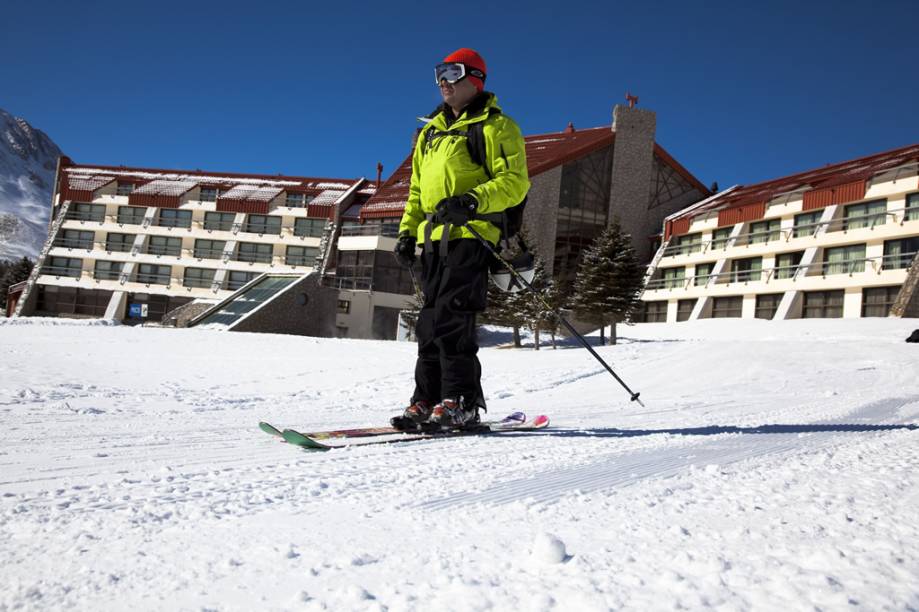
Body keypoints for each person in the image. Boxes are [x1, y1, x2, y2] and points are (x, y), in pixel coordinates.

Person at [392, 48, 530, 429]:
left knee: (453, 317)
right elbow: (417, 191)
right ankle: (426, 399)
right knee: (430, 321)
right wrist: (407, 233)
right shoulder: (430, 134)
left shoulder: (497, 127)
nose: (443, 81)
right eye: (439, 73)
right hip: (433, 239)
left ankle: (461, 401)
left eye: (452, 73)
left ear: (476, 78)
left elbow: (515, 183)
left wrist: (471, 201)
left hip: (472, 234)